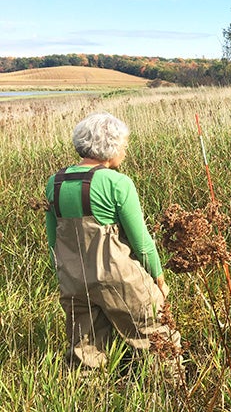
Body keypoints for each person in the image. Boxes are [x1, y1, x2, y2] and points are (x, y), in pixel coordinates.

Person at [45, 112, 182, 372]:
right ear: (110, 146)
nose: (126, 151)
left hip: (74, 282)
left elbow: (54, 242)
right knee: (159, 339)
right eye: (124, 145)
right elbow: (141, 242)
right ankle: (172, 395)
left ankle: (89, 399)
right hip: (119, 279)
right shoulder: (117, 183)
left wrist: (65, 278)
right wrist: (159, 279)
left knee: (85, 353)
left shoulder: (55, 183)